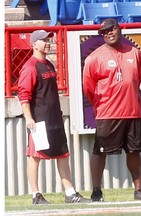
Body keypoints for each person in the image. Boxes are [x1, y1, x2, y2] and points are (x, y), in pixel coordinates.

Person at [18, 30, 91, 204]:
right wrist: (29, 119)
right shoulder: (30, 67)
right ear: (34, 44)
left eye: (48, 39)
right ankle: (36, 195)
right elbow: (24, 96)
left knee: (62, 154)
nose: (48, 42)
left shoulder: (49, 65)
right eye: (44, 40)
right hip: (39, 121)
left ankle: (70, 193)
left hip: (54, 120)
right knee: (35, 157)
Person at [82, 18, 141, 201]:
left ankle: (139, 189)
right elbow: (88, 87)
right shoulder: (94, 57)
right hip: (108, 113)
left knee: (134, 150)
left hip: (133, 112)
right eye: (104, 32)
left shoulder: (135, 53)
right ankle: (96, 191)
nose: (108, 33)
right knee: (100, 151)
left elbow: (136, 79)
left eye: (111, 29)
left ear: (119, 29)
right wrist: (102, 104)